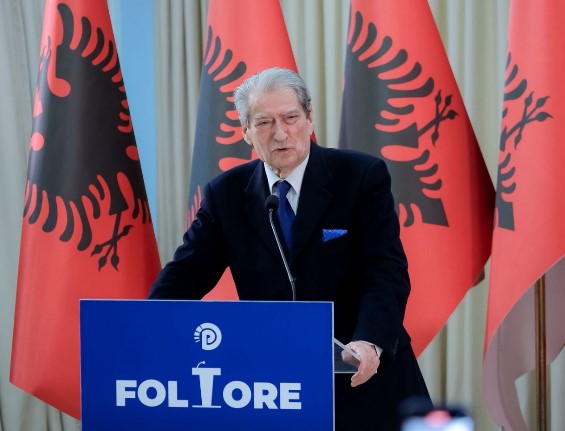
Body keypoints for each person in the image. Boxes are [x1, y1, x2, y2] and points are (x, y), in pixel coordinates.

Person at [148, 67, 432, 430]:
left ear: (310, 118)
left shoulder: (361, 177)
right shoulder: (226, 194)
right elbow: (184, 276)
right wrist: (144, 329)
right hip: (275, 386)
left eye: (290, 118)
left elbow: (385, 271)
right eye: (264, 122)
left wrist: (368, 341)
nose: (280, 133)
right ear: (246, 131)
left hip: (362, 376)